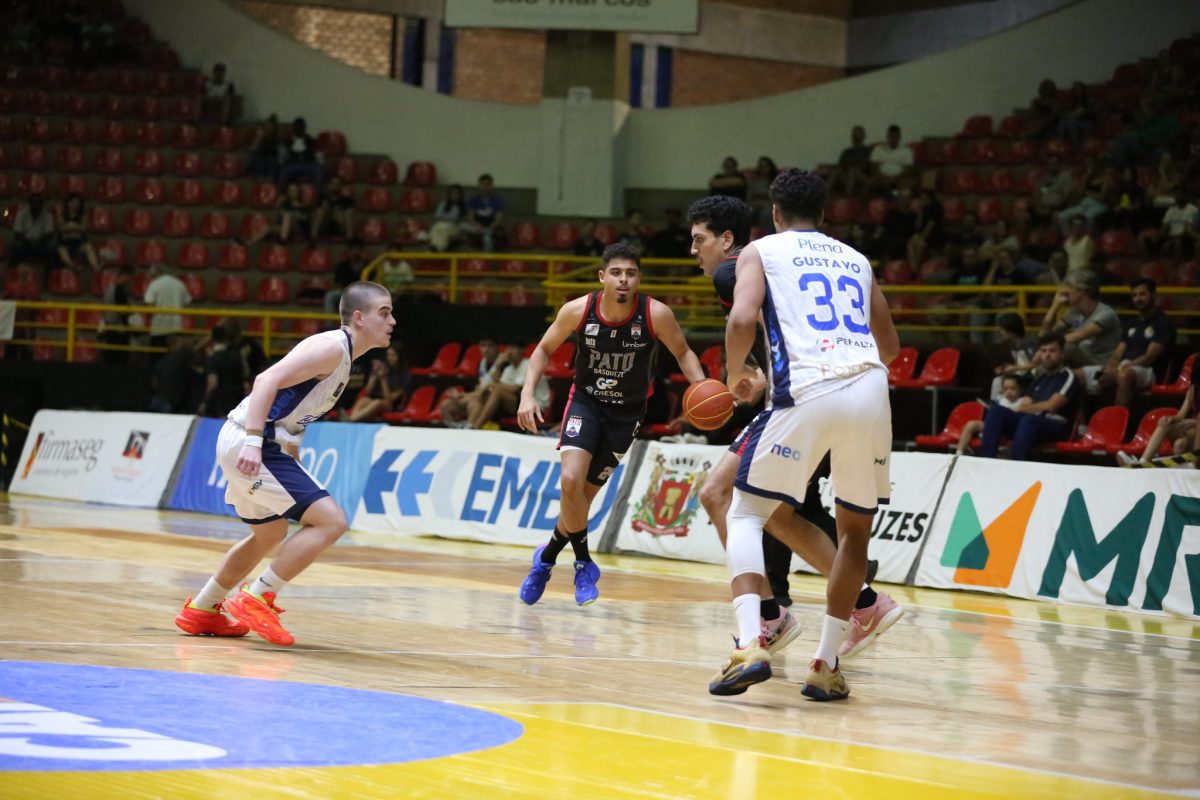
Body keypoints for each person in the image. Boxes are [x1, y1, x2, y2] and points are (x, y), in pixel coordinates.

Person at [710, 168, 900, 702]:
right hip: (869, 387)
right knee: (854, 534)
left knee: (746, 510)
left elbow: (742, 316)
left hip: (809, 390)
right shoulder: (857, 260)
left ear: (774, 212)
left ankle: (751, 644)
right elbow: (889, 344)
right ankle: (825, 664)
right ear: (825, 214)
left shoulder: (760, 250)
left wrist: (734, 373)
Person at [174, 281, 395, 646]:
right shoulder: (330, 348)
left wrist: (290, 459)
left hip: (257, 441)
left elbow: (292, 416)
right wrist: (252, 442)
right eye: (384, 313)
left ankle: (202, 609)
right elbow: (266, 380)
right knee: (332, 522)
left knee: (270, 534)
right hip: (252, 440)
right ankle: (259, 596)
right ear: (358, 317)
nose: (392, 321)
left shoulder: (343, 360)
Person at [516, 243, 706, 606]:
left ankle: (547, 557)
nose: (624, 280)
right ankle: (584, 564)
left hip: (628, 413)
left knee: (580, 502)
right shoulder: (578, 310)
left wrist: (701, 387)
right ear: (603, 277)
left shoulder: (655, 314)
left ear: (639, 279)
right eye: (616, 273)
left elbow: (683, 352)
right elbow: (542, 349)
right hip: (586, 403)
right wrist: (527, 394)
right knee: (570, 481)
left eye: (631, 273)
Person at [977, 333, 1080, 460]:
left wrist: (1023, 409)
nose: (1047, 355)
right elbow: (1025, 404)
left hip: (1057, 427)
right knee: (997, 411)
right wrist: (1023, 409)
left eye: (1052, 351)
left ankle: (1017, 463)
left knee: (1029, 420)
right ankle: (986, 460)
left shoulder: (1068, 377)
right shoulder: (1039, 379)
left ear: (1062, 354)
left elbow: (1051, 405)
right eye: (1043, 351)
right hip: (1031, 424)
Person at [1099, 278, 1175, 408]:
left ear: (1153, 295)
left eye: (1142, 294)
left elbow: (1149, 358)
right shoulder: (1131, 324)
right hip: (1126, 367)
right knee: (1095, 376)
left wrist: (1123, 368)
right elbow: (1117, 353)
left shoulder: (1163, 323)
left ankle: (1118, 422)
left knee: (1123, 376)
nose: (1138, 299)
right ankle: (1087, 422)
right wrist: (1110, 366)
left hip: (1149, 371)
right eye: (1134, 295)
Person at [1040, 269, 1121, 381]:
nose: (1064, 291)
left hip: (1098, 363)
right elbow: (1044, 335)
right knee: (1048, 355)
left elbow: (1075, 337)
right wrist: (1054, 306)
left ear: (1082, 291)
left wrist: (1048, 346)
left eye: (1069, 286)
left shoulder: (1105, 314)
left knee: (1066, 348)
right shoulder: (1074, 312)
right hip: (1078, 360)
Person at [465, 345, 550, 429]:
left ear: (522, 351)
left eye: (513, 347)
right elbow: (496, 386)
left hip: (536, 407)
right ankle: (470, 424)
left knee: (497, 392)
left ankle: (476, 427)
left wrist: (491, 385)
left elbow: (516, 388)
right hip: (518, 404)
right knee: (484, 395)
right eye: (507, 348)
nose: (509, 352)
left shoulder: (529, 364)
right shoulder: (508, 369)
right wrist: (498, 365)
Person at [1117, 383, 1198, 466]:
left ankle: (1183, 469)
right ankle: (1142, 461)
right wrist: (1171, 419)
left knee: (1180, 443)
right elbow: (1181, 415)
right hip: (1191, 429)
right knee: (1164, 423)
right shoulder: (1193, 388)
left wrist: (1194, 422)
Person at [957, 374, 1025, 454]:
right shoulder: (1000, 400)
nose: (1008, 392)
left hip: (1008, 429)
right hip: (993, 425)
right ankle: (959, 451)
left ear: (1020, 390)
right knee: (971, 424)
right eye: (1005, 389)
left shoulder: (1023, 401)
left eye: (1012, 388)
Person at [440, 338, 501, 426]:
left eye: (490, 345)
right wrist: (460, 395)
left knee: (474, 403)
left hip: (492, 402)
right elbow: (477, 386)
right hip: (477, 396)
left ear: (497, 347)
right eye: (483, 345)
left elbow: (495, 387)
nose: (486, 349)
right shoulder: (481, 364)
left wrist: (469, 396)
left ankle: (470, 431)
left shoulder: (503, 363)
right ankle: (455, 430)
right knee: (447, 405)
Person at [347, 343, 409, 422]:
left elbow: (389, 399)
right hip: (374, 399)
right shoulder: (384, 368)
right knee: (364, 400)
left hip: (391, 406)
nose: (389, 358)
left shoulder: (404, 376)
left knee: (377, 402)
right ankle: (351, 418)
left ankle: (350, 420)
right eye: (388, 355)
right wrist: (374, 375)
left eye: (393, 355)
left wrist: (383, 379)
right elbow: (367, 391)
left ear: (400, 357)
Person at [199, 324, 246, 418]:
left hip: (220, 404)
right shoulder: (236, 357)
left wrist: (204, 402)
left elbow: (212, 384)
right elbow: (245, 374)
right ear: (225, 339)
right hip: (237, 402)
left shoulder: (212, 359)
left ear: (212, 340)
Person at [143, 263, 192, 352]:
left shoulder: (154, 284)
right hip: (175, 327)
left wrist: (148, 317)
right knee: (174, 358)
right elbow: (187, 302)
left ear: (154, 274)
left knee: (157, 358)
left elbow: (150, 307)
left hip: (159, 328)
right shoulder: (179, 283)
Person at [55, 193, 100, 274]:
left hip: (79, 243)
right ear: (67, 203)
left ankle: (96, 267)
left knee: (88, 247)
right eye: (72, 202)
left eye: (77, 203)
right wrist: (76, 227)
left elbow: (84, 228)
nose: (75, 205)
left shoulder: (83, 215)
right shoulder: (61, 215)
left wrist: (69, 227)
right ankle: (73, 266)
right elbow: (61, 229)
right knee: (61, 249)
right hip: (65, 243)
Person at [99, 264, 134, 364]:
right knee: (118, 360)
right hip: (118, 330)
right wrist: (132, 311)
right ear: (125, 275)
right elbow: (121, 311)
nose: (131, 280)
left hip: (111, 327)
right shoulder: (118, 290)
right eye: (130, 277)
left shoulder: (110, 289)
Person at [463, 174, 506, 252]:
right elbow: (470, 217)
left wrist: (491, 227)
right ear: (479, 185)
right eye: (483, 184)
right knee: (462, 226)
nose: (485, 186)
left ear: (491, 185)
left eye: (488, 184)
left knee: (487, 238)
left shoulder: (498, 201)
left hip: (491, 227)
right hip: (476, 227)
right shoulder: (473, 200)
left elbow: (498, 219)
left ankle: (486, 260)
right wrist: (476, 225)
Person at [277, 117, 323, 189]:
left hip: (308, 165)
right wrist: (284, 161)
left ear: (304, 128)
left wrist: (319, 162)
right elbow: (281, 158)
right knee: (284, 171)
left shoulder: (311, 141)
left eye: (301, 127)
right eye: (297, 126)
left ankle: (319, 196)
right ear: (293, 128)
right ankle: (282, 195)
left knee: (317, 171)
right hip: (292, 165)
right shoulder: (287, 142)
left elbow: (318, 155)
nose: (299, 128)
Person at [869, 125, 913, 192]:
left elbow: (908, 170)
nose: (893, 139)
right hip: (881, 178)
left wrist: (894, 178)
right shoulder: (878, 149)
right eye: (891, 136)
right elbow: (873, 167)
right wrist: (882, 178)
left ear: (899, 137)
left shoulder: (906, 150)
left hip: (899, 178)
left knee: (905, 185)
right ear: (887, 137)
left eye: (895, 136)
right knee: (869, 183)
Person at [429, 184, 466, 252]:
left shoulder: (463, 207)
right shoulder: (443, 204)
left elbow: (461, 221)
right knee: (436, 228)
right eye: (453, 193)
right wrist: (449, 221)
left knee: (444, 230)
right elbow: (437, 218)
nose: (455, 196)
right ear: (449, 194)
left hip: (455, 228)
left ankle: (435, 248)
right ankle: (439, 249)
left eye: (457, 194)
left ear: (461, 195)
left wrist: (448, 220)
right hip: (441, 225)